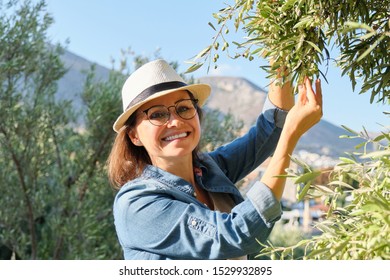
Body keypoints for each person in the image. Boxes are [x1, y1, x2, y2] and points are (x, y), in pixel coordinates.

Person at [107, 59, 322, 260]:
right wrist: (291, 135)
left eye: (183, 108)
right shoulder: (137, 205)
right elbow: (236, 235)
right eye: (157, 114)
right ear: (134, 136)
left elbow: (270, 130)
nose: (175, 121)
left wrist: (281, 55)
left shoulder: (210, 169)